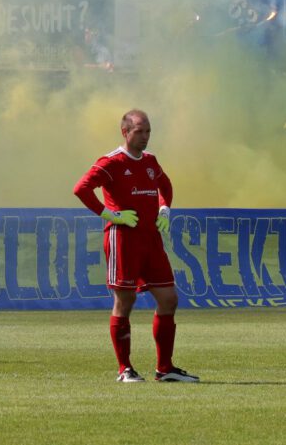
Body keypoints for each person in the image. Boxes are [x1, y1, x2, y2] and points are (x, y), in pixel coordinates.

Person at [73, 109, 199, 383]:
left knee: (169, 299)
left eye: (148, 131)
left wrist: (165, 209)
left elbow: (165, 185)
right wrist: (110, 215)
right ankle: (124, 370)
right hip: (123, 239)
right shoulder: (112, 162)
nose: (145, 136)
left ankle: (165, 369)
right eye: (139, 131)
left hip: (150, 240)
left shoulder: (151, 161)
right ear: (125, 132)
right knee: (125, 300)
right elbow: (81, 188)